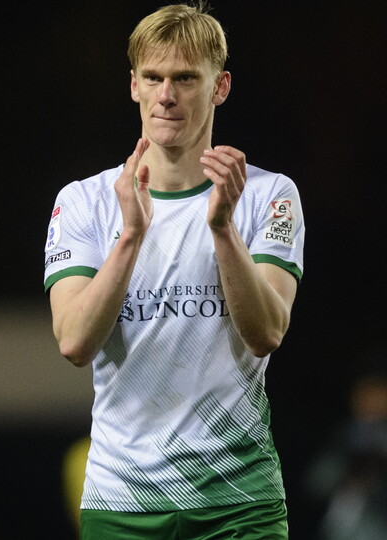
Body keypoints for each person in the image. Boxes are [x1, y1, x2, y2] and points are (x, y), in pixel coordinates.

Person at [43, 3, 304, 538]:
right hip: (123, 500)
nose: (167, 95)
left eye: (186, 78)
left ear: (220, 86)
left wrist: (224, 228)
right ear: (134, 85)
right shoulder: (86, 201)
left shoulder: (269, 195)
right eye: (154, 77)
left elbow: (266, 333)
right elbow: (73, 341)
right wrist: (132, 235)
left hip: (239, 501)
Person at [304, 372, 387, 539]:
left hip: (377, 526)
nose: (370, 403)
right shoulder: (345, 435)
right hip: (341, 528)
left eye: (376, 396)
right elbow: (316, 483)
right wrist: (346, 465)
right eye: (364, 396)